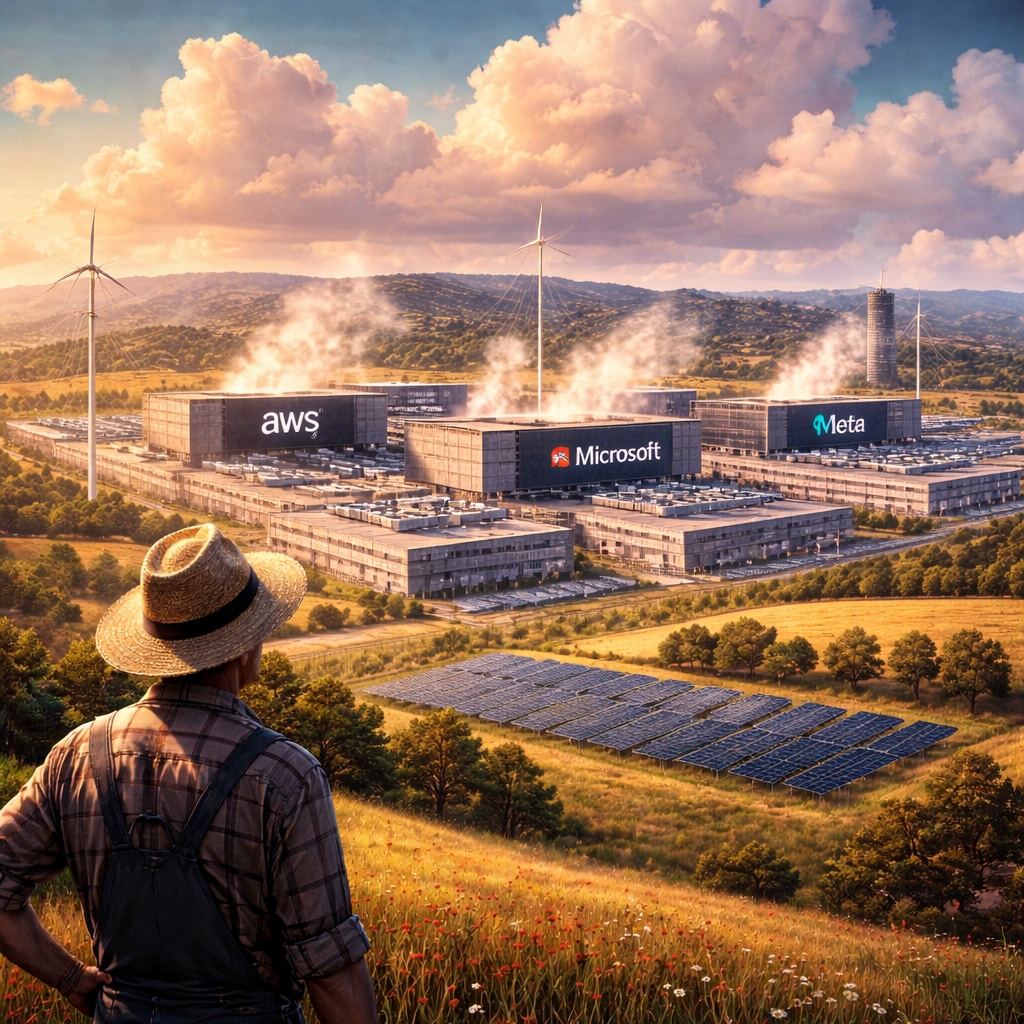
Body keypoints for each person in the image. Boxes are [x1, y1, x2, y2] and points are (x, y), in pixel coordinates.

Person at [0, 523, 378, 1024]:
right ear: (244, 648)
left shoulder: (77, 754)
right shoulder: (286, 776)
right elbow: (331, 971)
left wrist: (71, 979)